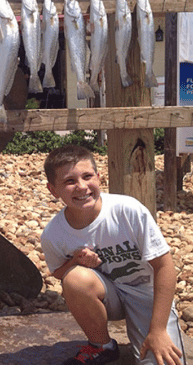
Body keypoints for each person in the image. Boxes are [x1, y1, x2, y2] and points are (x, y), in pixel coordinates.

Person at [40, 145, 186, 365]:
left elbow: (164, 267)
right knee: (76, 279)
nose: (81, 187)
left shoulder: (128, 210)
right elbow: (60, 274)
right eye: (69, 181)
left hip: (147, 293)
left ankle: (154, 329)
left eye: (87, 176)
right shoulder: (54, 233)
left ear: (99, 177)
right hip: (110, 295)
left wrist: (157, 331)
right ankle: (102, 345)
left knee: (161, 359)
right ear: (53, 190)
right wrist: (75, 261)